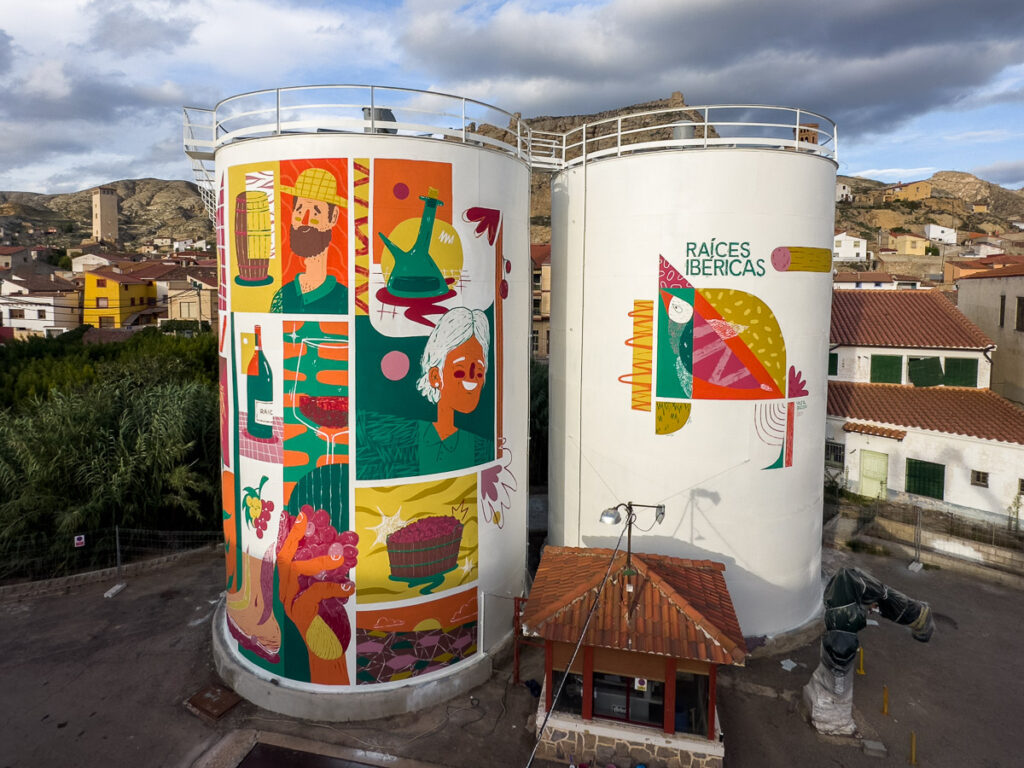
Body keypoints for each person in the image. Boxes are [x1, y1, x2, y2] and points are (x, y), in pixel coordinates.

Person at [414, 307, 491, 473]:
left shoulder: (482, 445)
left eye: (478, 372)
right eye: (460, 371)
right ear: (435, 377)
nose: (471, 380)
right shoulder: (408, 435)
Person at [270, 167, 348, 313]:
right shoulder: (282, 295)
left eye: (315, 212)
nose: (305, 220)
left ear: (333, 217)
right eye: (299, 210)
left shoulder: (344, 298)